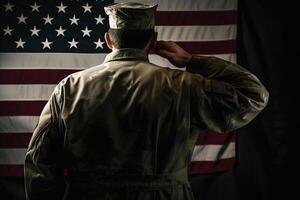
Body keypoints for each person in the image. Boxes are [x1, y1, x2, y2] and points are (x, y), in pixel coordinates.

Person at [24, 2, 269, 200]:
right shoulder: (182, 85)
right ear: (153, 42)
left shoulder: (69, 88)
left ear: (109, 40)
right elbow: (253, 94)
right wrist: (191, 61)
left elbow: (40, 161)